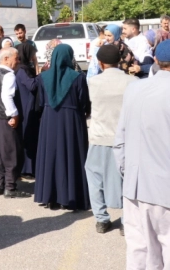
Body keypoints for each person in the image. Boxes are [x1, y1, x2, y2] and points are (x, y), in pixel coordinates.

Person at [115, 40, 170, 268]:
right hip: (164, 188)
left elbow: (120, 140)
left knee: (138, 249)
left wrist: (128, 173)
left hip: (134, 186)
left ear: (156, 61)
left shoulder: (134, 88)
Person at [35, 44, 91, 210]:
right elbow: (83, 102)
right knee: (71, 154)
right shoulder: (77, 77)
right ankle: (72, 196)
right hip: (71, 120)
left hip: (49, 119)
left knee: (51, 154)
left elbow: (40, 102)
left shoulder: (43, 77)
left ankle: (50, 196)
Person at [85, 45, 134, 234]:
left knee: (95, 178)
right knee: (127, 180)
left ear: (100, 62)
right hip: (125, 139)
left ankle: (101, 219)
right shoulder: (132, 82)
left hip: (99, 136)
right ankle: (126, 220)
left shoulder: (93, 82)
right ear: (120, 60)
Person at [0, 47, 31, 198]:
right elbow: (6, 97)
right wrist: (14, 115)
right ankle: (10, 187)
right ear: (6, 59)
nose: (17, 61)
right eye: (15, 58)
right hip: (5, 119)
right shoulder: (8, 75)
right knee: (11, 153)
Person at [14, 43, 41, 178]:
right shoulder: (22, 70)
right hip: (26, 107)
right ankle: (28, 169)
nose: (33, 56)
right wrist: (42, 75)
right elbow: (32, 85)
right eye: (32, 53)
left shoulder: (22, 68)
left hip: (25, 105)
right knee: (29, 137)